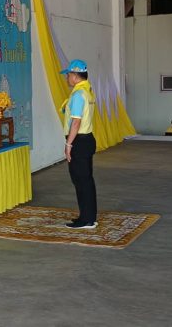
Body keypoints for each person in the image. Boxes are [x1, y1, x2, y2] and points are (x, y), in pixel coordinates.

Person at [60, 59, 97, 229]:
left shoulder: (78, 95)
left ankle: (87, 220)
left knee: (81, 181)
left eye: (68, 75)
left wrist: (68, 145)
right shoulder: (87, 91)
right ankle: (87, 216)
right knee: (85, 180)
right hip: (86, 139)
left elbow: (76, 122)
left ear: (75, 76)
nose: (67, 78)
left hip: (79, 142)